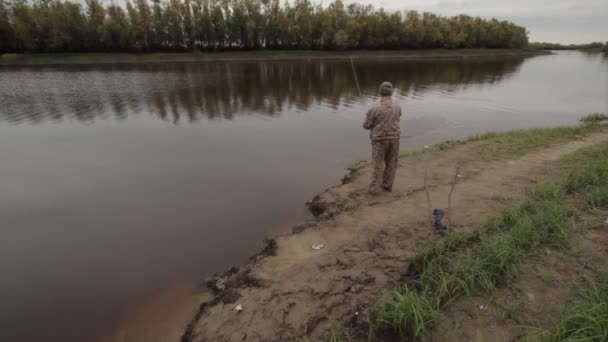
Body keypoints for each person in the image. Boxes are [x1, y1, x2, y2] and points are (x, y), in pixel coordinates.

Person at [363, 82, 402, 195]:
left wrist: (368, 117)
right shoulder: (398, 106)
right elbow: (398, 118)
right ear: (391, 92)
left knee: (377, 165)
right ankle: (387, 185)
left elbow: (366, 126)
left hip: (379, 140)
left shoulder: (374, 108)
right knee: (391, 163)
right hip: (395, 139)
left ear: (380, 92)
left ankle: (374, 189)